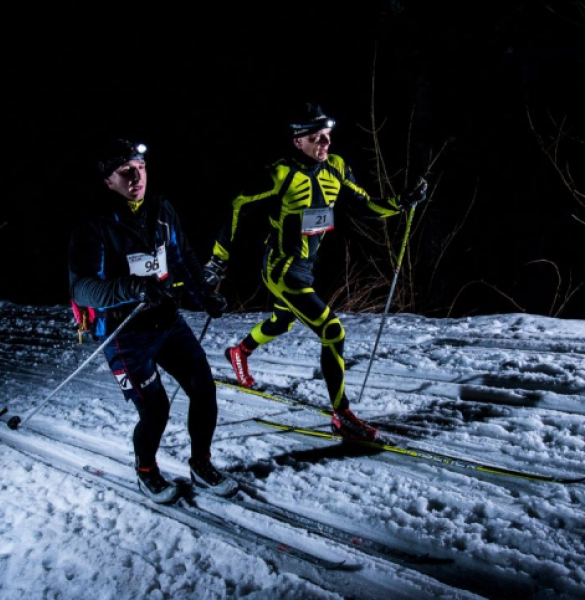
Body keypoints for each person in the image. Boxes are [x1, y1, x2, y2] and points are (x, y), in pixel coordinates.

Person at [204, 102, 427, 442]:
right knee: (333, 331)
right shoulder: (281, 173)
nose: (325, 144)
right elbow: (238, 205)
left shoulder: (336, 167)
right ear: (298, 142)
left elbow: (364, 205)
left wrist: (401, 202)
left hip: (306, 267)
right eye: (316, 138)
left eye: (327, 136)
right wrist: (217, 260)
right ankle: (342, 415)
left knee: (282, 321)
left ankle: (240, 352)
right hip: (282, 270)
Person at [68, 138, 237, 502]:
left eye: (141, 168)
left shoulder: (160, 209)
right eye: (125, 171)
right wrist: (134, 287)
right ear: (107, 182)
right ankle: (147, 471)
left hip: (167, 320)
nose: (136, 176)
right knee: (156, 408)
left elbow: (181, 257)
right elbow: (82, 288)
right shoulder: (94, 226)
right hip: (125, 332)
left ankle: (201, 464)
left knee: (203, 388)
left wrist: (203, 295)